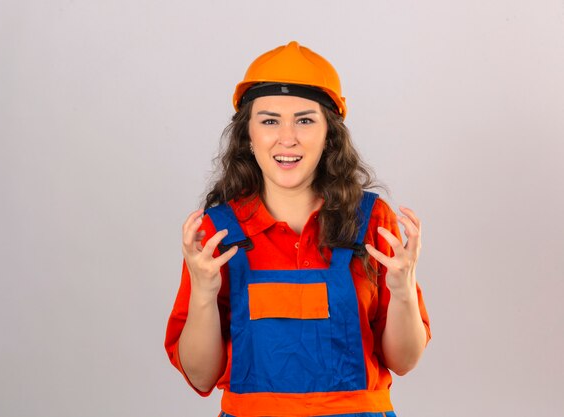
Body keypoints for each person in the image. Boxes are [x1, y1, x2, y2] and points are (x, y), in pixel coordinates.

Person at [165, 41, 431, 417]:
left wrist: (403, 291)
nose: (286, 137)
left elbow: (403, 361)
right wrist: (204, 294)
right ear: (249, 136)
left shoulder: (371, 222)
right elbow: (200, 376)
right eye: (269, 120)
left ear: (329, 136)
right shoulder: (216, 235)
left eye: (305, 120)